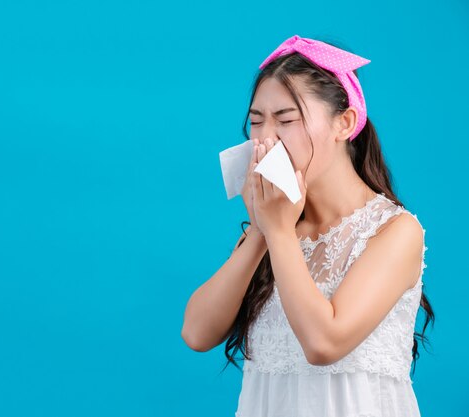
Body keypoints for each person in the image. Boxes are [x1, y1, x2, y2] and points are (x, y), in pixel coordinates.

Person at [180, 35, 435, 417]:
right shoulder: (275, 227)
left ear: (344, 123)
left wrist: (278, 232)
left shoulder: (395, 231)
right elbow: (197, 334)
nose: (265, 138)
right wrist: (261, 232)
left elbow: (323, 344)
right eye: (255, 121)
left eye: (286, 120)